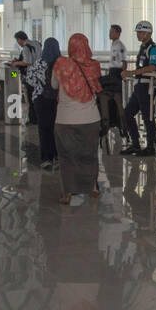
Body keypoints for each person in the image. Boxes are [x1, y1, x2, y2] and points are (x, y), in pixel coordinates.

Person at [51, 34, 105, 205]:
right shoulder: (94, 65)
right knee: (89, 155)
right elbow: (97, 87)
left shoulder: (61, 64)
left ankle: (67, 192)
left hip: (65, 119)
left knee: (67, 157)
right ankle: (93, 187)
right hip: (90, 118)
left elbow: (53, 85)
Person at [122, 20, 156, 156]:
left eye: (141, 32)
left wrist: (131, 73)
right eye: (138, 32)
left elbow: (152, 66)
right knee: (127, 113)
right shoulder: (142, 47)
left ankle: (150, 147)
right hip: (139, 86)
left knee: (148, 117)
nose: (138, 35)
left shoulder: (153, 48)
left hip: (147, 86)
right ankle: (136, 144)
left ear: (149, 33)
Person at [25, 36, 61, 168]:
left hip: (40, 99)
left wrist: (40, 84)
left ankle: (46, 159)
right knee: (56, 129)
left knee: (43, 129)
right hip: (57, 101)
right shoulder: (61, 64)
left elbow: (29, 80)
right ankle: (57, 157)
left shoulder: (39, 63)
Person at [9, 31, 41, 124]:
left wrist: (16, 63)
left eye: (17, 40)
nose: (17, 42)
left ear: (19, 39)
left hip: (31, 76)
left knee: (30, 98)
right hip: (39, 74)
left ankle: (33, 119)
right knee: (37, 96)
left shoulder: (26, 47)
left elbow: (27, 62)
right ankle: (37, 117)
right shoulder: (36, 43)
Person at [102, 24, 128, 141]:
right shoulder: (114, 45)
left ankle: (123, 126)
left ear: (118, 33)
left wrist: (122, 73)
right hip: (112, 72)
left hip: (116, 73)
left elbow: (124, 62)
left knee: (118, 100)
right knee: (110, 99)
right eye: (110, 31)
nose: (110, 34)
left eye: (112, 32)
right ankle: (111, 122)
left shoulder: (120, 45)